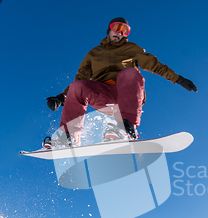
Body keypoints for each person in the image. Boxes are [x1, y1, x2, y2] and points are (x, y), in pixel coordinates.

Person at [44, 17, 197, 149]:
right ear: (109, 30)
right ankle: (68, 136)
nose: (120, 33)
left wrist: (178, 79)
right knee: (78, 86)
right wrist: (62, 96)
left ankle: (126, 128)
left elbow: (154, 65)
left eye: (125, 31)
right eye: (117, 28)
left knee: (129, 73)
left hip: (127, 95)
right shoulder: (93, 53)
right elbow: (80, 79)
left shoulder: (131, 48)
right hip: (104, 96)